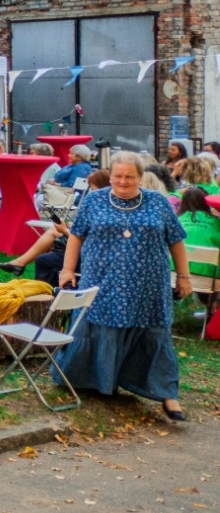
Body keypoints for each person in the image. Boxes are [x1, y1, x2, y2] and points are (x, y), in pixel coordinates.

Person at [54, 150, 192, 422]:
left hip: (149, 284)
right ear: (111, 176)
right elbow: (76, 236)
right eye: (118, 176)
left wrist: (184, 277)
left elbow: (176, 240)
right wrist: (68, 269)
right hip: (103, 282)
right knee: (101, 327)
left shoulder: (158, 202)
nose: (123, 181)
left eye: (130, 176)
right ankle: (100, 382)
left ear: (141, 177)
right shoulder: (94, 200)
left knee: (155, 333)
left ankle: (167, 394)